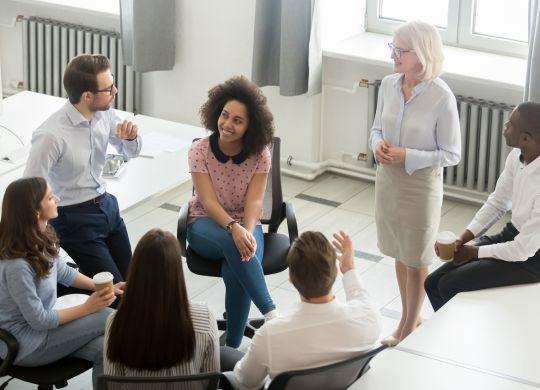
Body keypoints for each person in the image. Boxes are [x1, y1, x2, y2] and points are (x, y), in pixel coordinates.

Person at [369, 21, 461, 345]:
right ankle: (411, 318)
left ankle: (407, 327)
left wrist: (408, 155)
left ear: (421, 54)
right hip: (388, 183)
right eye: (391, 47)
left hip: (419, 189)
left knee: (416, 257)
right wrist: (376, 145)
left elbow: (451, 154)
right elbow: (376, 129)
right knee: (398, 250)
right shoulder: (388, 84)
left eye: (400, 50)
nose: (393, 54)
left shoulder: (441, 96)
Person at [24, 54, 142, 283]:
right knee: (115, 292)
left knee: (134, 282)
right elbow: (30, 188)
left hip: (106, 206)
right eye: (109, 89)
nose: (115, 91)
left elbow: (131, 152)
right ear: (87, 96)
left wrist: (131, 138)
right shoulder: (51, 135)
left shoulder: (105, 114)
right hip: (73, 218)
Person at [0, 177, 124, 389]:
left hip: (45, 332)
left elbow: (64, 272)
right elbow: (39, 320)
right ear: (34, 211)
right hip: (26, 344)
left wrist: (101, 287)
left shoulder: (43, 235)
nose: (57, 198)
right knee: (108, 317)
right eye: (50, 197)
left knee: (107, 350)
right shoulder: (16, 266)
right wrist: (87, 308)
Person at [224, 230, 381, 390]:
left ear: (291, 277)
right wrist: (349, 268)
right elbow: (359, 295)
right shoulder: (369, 317)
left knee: (223, 355)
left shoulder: (271, 335)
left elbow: (245, 383)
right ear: (335, 271)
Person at [186, 76, 278, 349]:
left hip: (245, 224)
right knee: (234, 244)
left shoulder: (261, 153)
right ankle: (271, 313)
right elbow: (208, 201)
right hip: (204, 223)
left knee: (236, 266)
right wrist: (234, 229)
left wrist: (248, 231)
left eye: (238, 120)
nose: (227, 124)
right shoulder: (199, 151)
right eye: (225, 115)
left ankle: (231, 349)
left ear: (251, 126)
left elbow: (254, 202)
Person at [425, 101, 540, 311]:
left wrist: (473, 253)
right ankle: (450, 336)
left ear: (526, 138)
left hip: (533, 258)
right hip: (512, 235)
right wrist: (463, 239)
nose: (505, 126)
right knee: (432, 283)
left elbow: (524, 250)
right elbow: (498, 202)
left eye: (511, 124)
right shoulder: (517, 155)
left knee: (449, 285)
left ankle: (462, 336)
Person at [104, 228, 220, 376]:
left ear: (135, 271)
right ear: (177, 272)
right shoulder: (205, 317)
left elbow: (113, 382)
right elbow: (211, 380)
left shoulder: (115, 322)